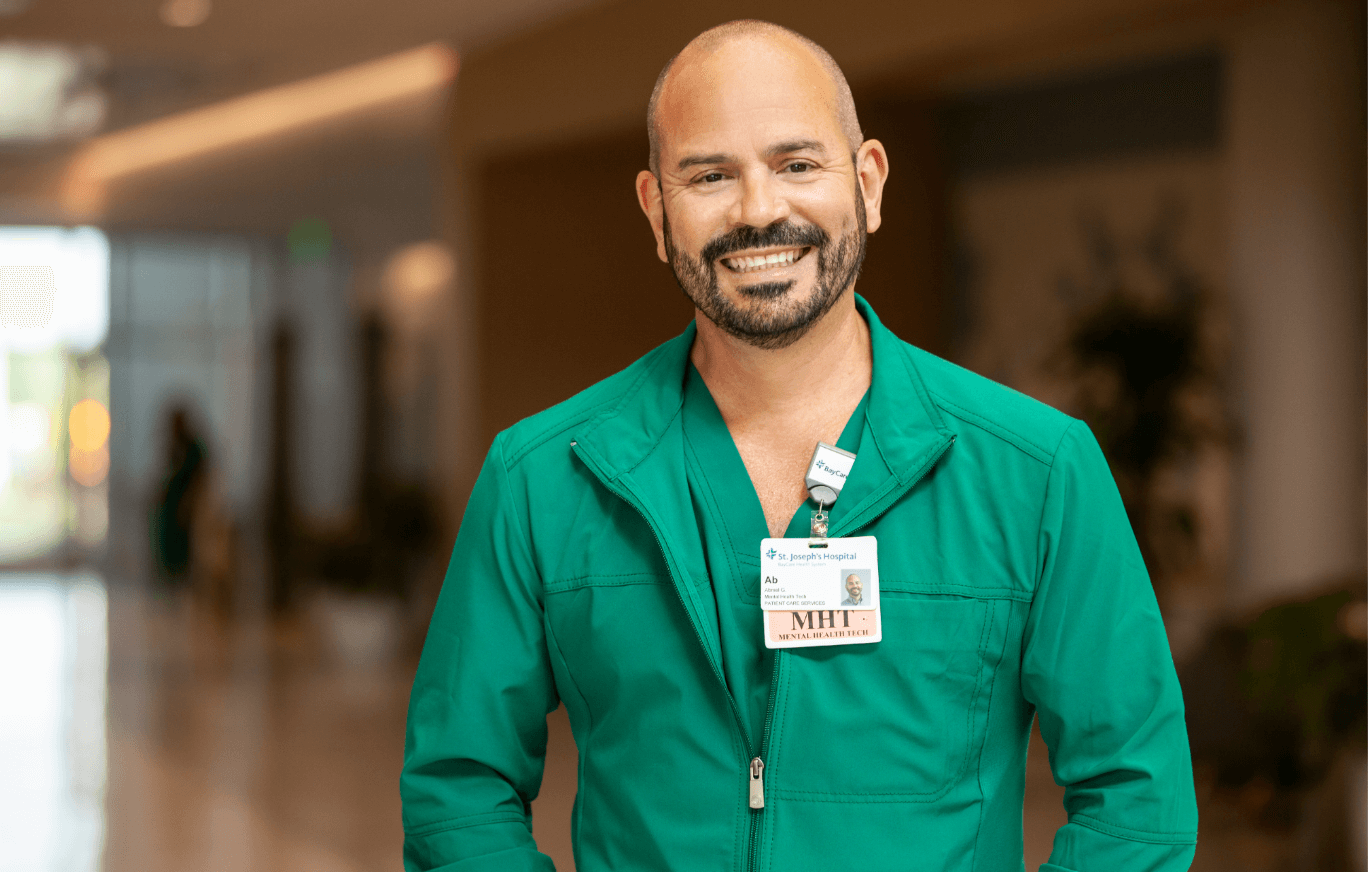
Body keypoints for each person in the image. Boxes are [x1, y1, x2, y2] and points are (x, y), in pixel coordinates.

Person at [402, 19, 1197, 872]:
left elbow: (1136, 800)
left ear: (869, 182)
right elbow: (459, 785)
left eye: (797, 164)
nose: (759, 210)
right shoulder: (541, 479)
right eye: (709, 174)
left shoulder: (1036, 471)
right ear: (656, 211)